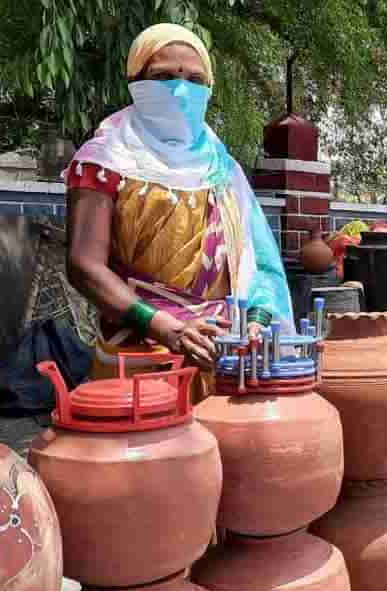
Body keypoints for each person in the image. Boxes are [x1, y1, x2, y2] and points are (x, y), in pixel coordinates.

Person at [65, 23, 293, 399]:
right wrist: (168, 329)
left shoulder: (223, 170)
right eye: (163, 77)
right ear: (135, 80)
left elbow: (258, 264)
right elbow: (83, 266)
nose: (180, 90)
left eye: (194, 79)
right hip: (140, 355)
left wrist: (255, 321)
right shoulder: (104, 160)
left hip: (222, 353)